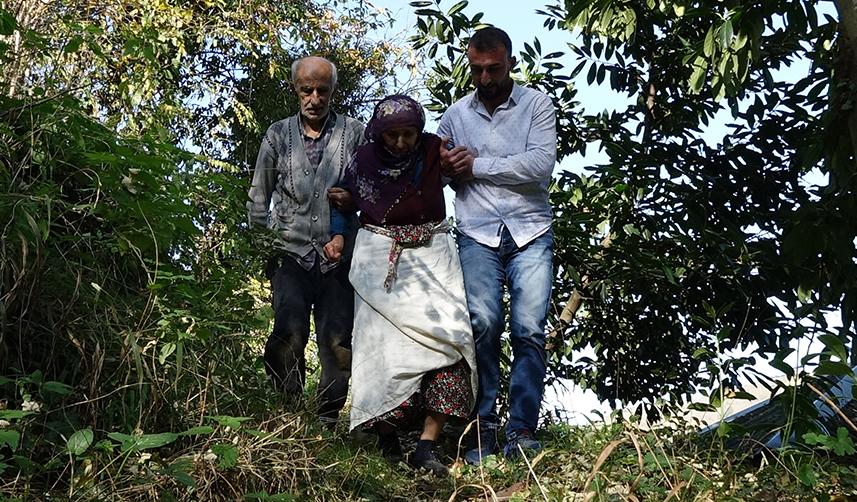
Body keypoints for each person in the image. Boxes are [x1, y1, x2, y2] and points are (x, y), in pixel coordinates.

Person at [329, 95, 477, 477]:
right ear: (379, 133)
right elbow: (343, 201)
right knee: (384, 353)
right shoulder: (362, 160)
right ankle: (387, 437)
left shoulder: (432, 149)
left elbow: (456, 171)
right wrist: (339, 226)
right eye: (392, 135)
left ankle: (426, 445)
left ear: (419, 131)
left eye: (407, 134)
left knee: (451, 342)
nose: (400, 143)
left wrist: (450, 165)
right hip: (379, 258)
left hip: (433, 256)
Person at [437, 27, 557, 464]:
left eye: (493, 68)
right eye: (477, 69)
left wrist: (478, 164)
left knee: (529, 331)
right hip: (477, 233)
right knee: (482, 324)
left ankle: (522, 430)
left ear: (509, 62)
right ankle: (482, 431)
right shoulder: (454, 115)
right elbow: (444, 174)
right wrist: (451, 168)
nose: (485, 77)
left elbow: (539, 166)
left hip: (531, 231)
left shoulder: (536, 105)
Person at [246, 56, 363, 427]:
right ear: (296, 91)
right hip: (289, 253)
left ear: (333, 92)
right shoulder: (278, 134)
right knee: (288, 331)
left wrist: (352, 204)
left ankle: (327, 421)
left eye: (322, 90)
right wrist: (267, 250)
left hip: (338, 256)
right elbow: (258, 197)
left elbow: (373, 190)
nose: (314, 98)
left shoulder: (354, 133)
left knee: (338, 341)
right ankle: (288, 413)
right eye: (306, 90)